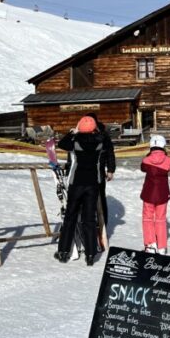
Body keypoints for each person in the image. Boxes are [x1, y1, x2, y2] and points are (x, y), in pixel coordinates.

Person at [54, 114, 115, 266]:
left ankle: (63, 252)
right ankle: (90, 254)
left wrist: (73, 132)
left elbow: (62, 144)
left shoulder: (75, 141)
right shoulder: (100, 142)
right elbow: (107, 143)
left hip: (76, 182)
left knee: (70, 218)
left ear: (80, 127)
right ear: (94, 128)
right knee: (89, 219)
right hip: (93, 183)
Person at [141, 133, 170, 254]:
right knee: (161, 219)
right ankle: (162, 246)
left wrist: (149, 156)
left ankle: (150, 244)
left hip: (149, 194)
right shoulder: (168, 160)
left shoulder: (146, 160)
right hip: (163, 194)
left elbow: (143, 168)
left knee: (147, 218)